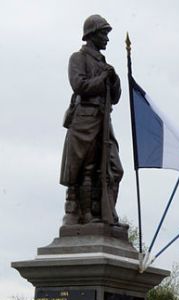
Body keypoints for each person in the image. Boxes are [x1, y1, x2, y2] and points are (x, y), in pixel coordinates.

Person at [60, 15, 123, 226]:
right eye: (103, 33)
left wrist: (114, 80)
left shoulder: (104, 64)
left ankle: (105, 213)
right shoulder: (78, 58)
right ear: (91, 35)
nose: (107, 38)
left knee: (114, 169)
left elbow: (115, 97)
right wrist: (103, 78)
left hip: (104, 120)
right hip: (85, 119)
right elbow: (80, 86)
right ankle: (87, 215)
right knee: (86, 169)